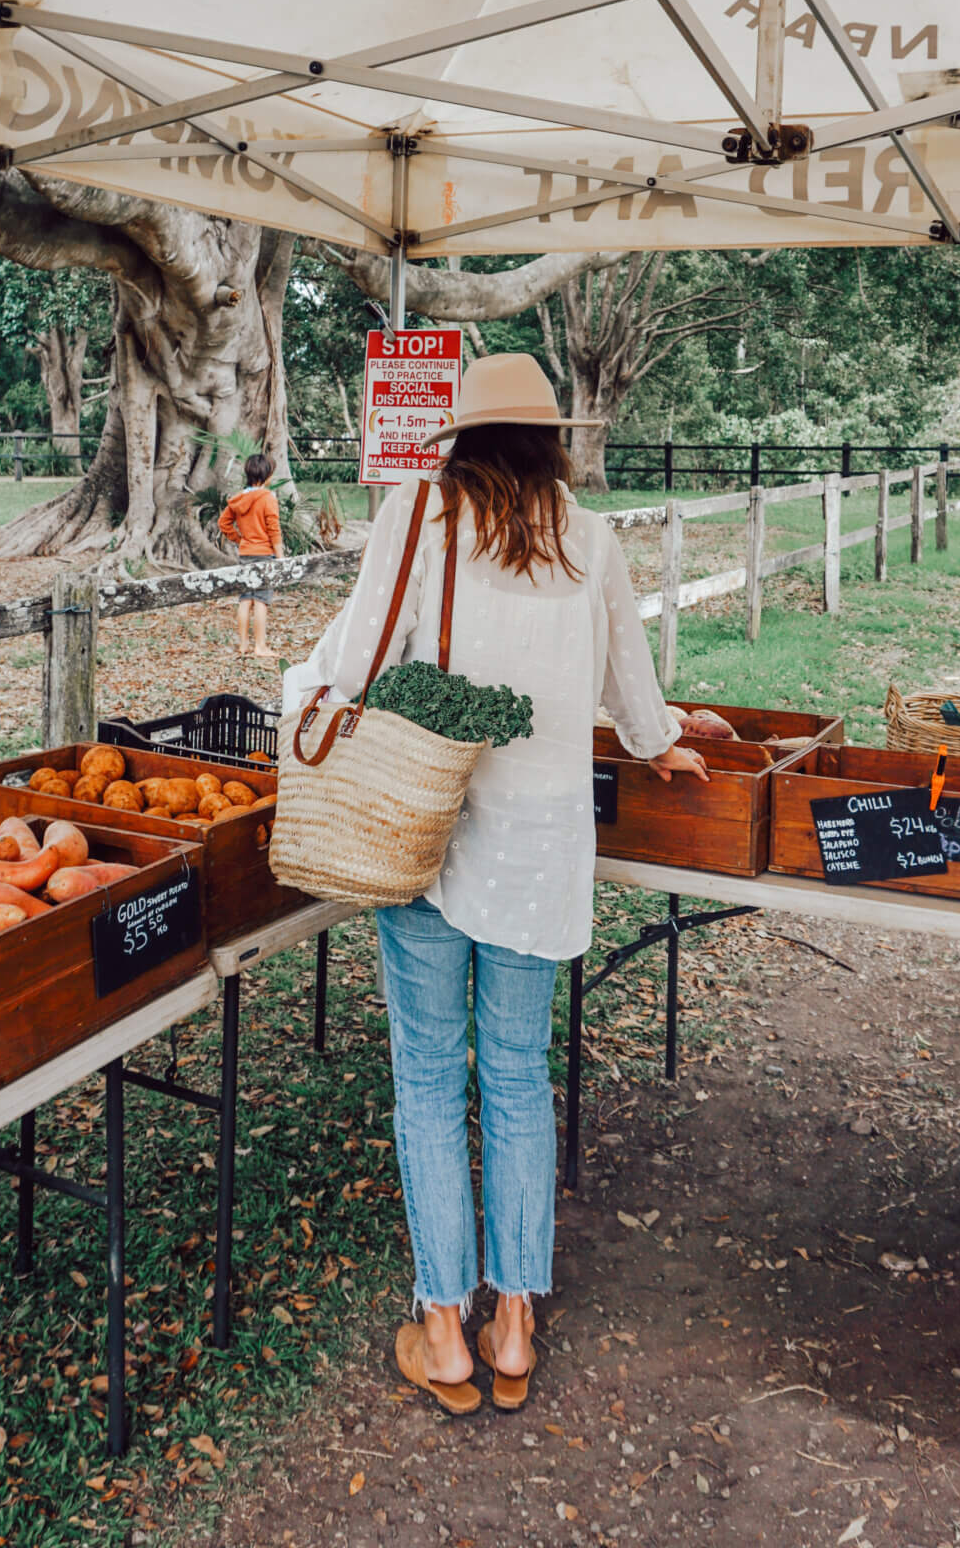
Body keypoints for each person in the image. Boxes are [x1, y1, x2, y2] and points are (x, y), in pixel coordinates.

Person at [282, 354, 709, 1415]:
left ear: (462, 439)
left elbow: (353, 655)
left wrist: (306, 701)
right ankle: (514, 1323)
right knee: (516, 1079)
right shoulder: (592, 537)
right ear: (551, 440)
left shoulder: (420, 514)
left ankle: (444, 1330)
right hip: (539, 847)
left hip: (421, 829)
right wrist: (664, 746)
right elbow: (631, 681)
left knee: (430, 1077)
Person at [219, 453, 283, 661]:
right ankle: (260, 646)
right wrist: (280, 557)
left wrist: (239, 539)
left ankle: (244, 645)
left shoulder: (239, 499)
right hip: (264, 554)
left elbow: (223, 523)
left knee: (245, 599)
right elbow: (274, 530)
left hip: (246, 553)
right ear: (268, 475)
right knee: (261, 600)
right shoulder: (268, 498)